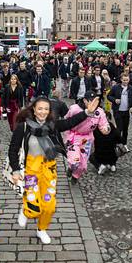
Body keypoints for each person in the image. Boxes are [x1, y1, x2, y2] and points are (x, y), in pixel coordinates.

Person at [8, 95, 100, 244]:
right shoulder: (23, 127)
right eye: (40, 109)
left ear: (49, 111)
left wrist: (87, 113)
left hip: (49, 168)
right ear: (34, 109)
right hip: (32, 169)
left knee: (49, 205)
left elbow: (69, 122)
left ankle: (41, 229)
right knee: (33, 205)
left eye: (46, 109)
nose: (43, 112)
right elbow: (13, 149)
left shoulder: (53, 125)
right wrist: (16, 170)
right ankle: (26, 212)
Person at [65, 91, 110, 184]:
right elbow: (66, 121)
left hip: (87, 139)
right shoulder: (74, 109)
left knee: (82, 164)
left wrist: (106, 129)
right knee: (74, 161)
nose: (93, 104)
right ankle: (71, 167)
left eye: (95, 101)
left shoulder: (99, 112)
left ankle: (75, 176)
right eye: (90, 101)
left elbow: (104, 124)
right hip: (74, 137)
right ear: (85, 100)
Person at [107, 74, 132, 151]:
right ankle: (116, 144)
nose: (125, 81)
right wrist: (114, 100)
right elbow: (109, 96)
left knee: (125, 129)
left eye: (127, 80)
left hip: (126, 112)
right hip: (117, 111)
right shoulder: (115, 87)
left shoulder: (131, 88)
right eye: (124, 80)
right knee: (119, 128)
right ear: (121, 79)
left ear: (129, 80)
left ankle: (124, 144)